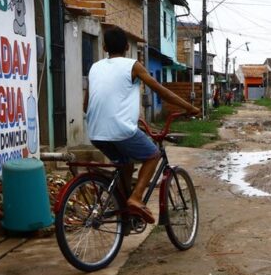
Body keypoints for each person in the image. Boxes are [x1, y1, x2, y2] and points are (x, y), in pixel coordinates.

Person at [84, 26, 200, 224]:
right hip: (120, 130)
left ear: (104, 47)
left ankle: (124, 213)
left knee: (126, 164)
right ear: (127, 46)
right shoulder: (133, 65)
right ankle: (136, 198)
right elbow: (160, 90)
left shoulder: (95, 67)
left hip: (95, 132)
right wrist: (190, 107)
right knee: (153, 154)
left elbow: (87, 104)